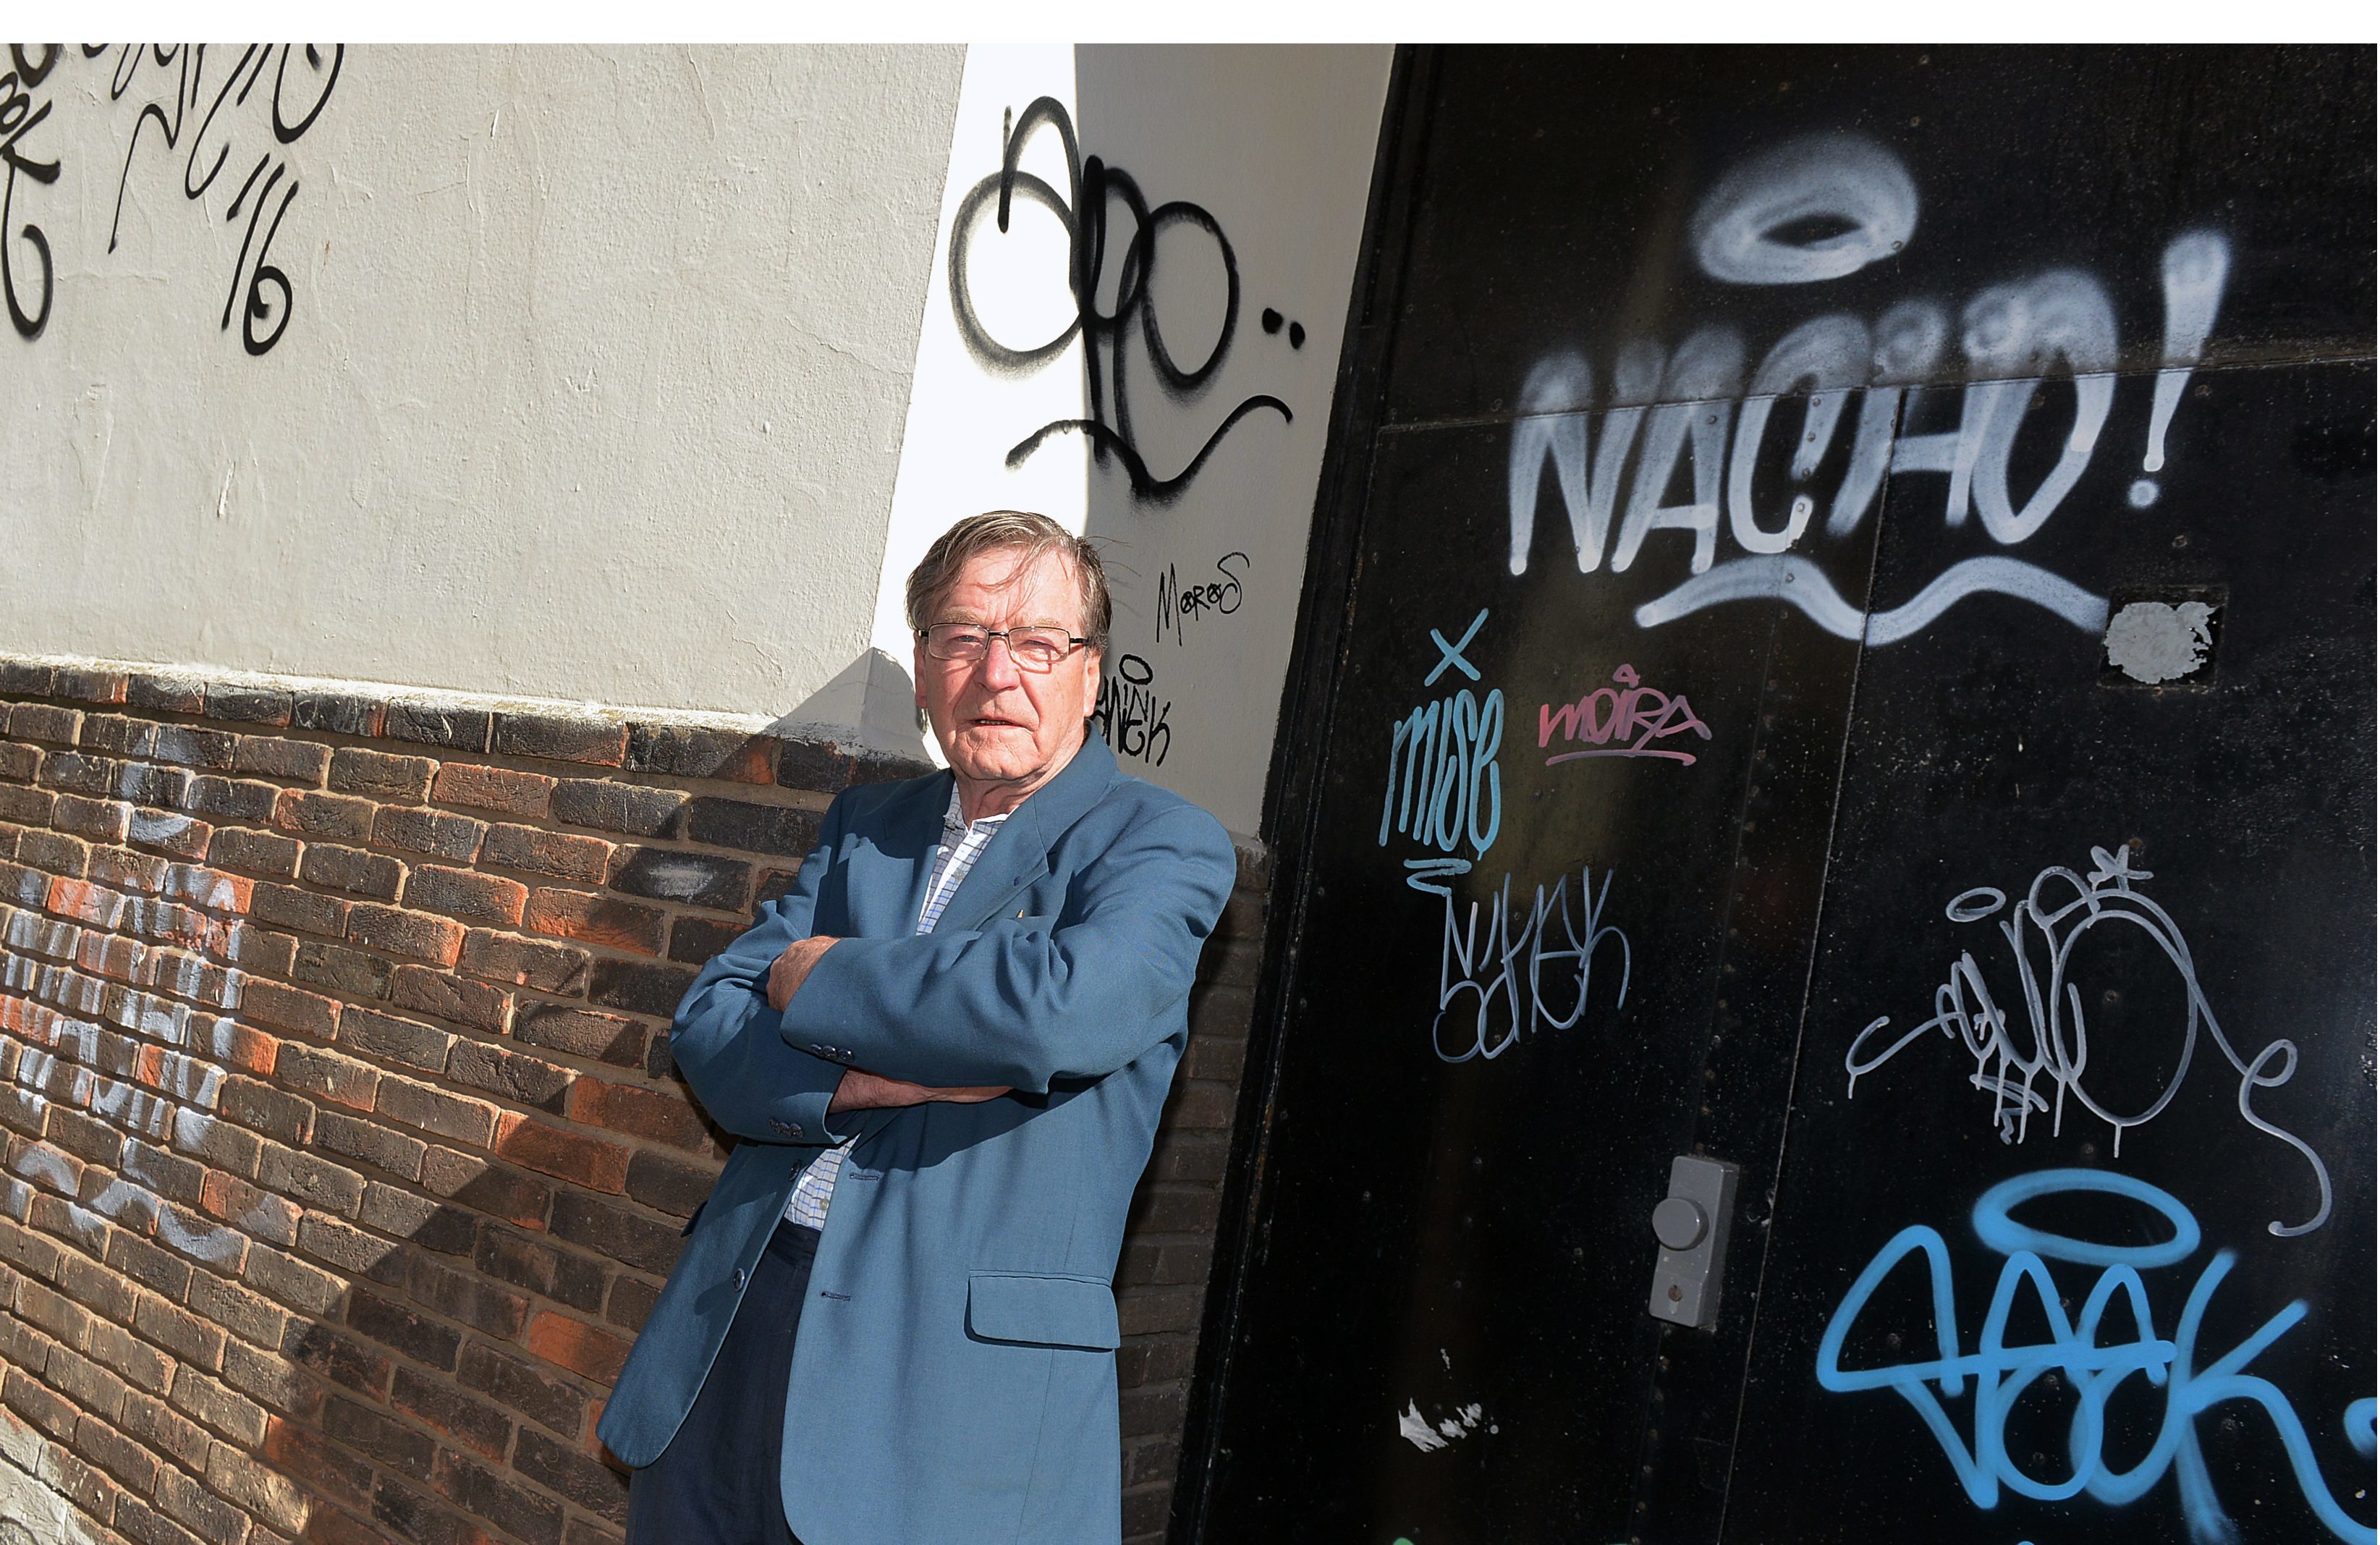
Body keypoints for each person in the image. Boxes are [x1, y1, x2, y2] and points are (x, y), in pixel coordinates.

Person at [598, 511, 1237, 1545]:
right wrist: (860, 1084)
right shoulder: (866, 826)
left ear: (1090, 673)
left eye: (1036, 642)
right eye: (962, 637)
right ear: (923, 667)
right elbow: (711, 1028)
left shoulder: (1162, 843)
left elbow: (1053, 1010)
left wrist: (820, 977)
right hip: (737, 1334)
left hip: (949, 1397)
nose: (996, 675)